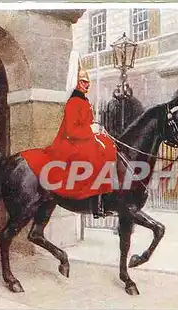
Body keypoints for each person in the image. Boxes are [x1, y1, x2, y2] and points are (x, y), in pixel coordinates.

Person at [24, 56, 117, 218]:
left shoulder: (84, 101)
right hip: (71, 142)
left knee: (109, 147)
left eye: (87, 82)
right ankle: (94, 202)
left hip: (85, 138)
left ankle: (106, 196)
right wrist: (91, 129)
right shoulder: (73, 102)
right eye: (83, 81)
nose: (86, 85)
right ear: (76, 83)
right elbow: (71, 131)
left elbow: (88, 123)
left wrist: (97, 128)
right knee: (93, 157)